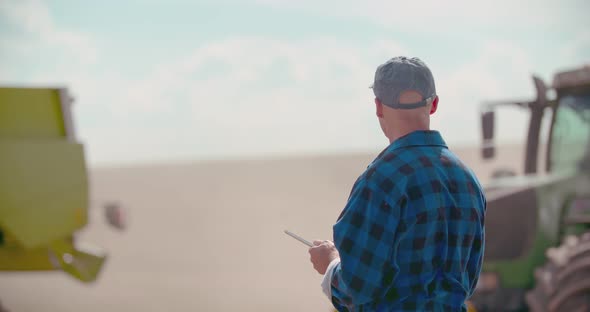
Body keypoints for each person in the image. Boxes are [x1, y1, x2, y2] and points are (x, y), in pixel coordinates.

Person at [308, 56, 486, 311]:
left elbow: (356, 288)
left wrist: (330, 264)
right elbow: (469, 280)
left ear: (378, 107)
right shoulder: (468, 180)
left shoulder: (381, 180)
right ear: (434, 104)